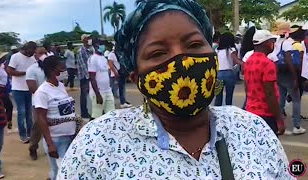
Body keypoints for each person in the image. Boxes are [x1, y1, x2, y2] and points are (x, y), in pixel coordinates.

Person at [58, 0, 293, 179]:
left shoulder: (252, 130)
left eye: (194, 44)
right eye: (158, 53)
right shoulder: (99, 143)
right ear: (137, 77)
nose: (182, 60)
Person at [34, 56, 76, 180]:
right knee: (59, 172)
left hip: (69, 136)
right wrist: (50, 144)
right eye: (61, 68)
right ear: (52, 70)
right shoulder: (42, 92)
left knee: (66, 169)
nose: (64, 70)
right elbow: (41, 118)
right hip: (56, 139)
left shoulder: (60, 86)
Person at [244, 30, 285, 135]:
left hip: (250, 111)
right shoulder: (267, 64)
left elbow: (246, 87)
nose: (273, 44)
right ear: (267, 43)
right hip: (266, 114)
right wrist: (279, 119)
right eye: (272, 42)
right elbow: (270, 94)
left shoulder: (249, 61)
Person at [276, 26, 306, 135]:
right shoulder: (288, 43)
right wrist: (295, 77)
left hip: (279, 74)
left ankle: (278, 125)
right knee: (296, 100)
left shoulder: (277, 42)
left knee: (281, 100)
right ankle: (296, 126)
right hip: (288, 74)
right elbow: (289, 60)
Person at [7, 41, 37, 143]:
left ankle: (30, 134)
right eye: (32, 51)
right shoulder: (15, 57)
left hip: (29, 89)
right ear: (26, 48)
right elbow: (10, 71)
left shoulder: (32, 58)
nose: (33, 53)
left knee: (29, 113)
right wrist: (25, 73)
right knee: (22, 112)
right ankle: (22, 135)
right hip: (18, 89)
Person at [26, 47, 47, 161]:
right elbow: (32, 87)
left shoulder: (50, 67)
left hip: (52, 101)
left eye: (44, 52)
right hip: (39, 102)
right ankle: (33, 147)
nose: (43, 55)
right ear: (35, 55)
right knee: (38, 125)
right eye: (40, 53)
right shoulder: (31, 69)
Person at [214, 32, 243, 106]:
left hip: (218, 74)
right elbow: (236, 60)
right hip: (229, 73)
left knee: (218, 96)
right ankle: (228, 111)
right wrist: (244, 64)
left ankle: (217, 112)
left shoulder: (217, 50)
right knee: (229, 96)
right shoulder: (231, 49)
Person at [89, 43, 115, 119]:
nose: (102, 46)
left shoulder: (103, 58)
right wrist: (97, 94)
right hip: (99, 92)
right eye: (100, 44)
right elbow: (92, 78)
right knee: (97, 116)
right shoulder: (93, 59)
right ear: (95, 46)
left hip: (108, 90)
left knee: (111, 114)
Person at [77, 34, 93, 119]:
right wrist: (89, 77)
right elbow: (83, 66)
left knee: (90, 95)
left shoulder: (91, 50)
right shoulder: (81, 51)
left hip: (90, 76)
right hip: (84, 77)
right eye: (87, 38)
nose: (89, 40)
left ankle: (90, 111)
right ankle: (84, 112)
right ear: (83, 40)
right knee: (84, 95)